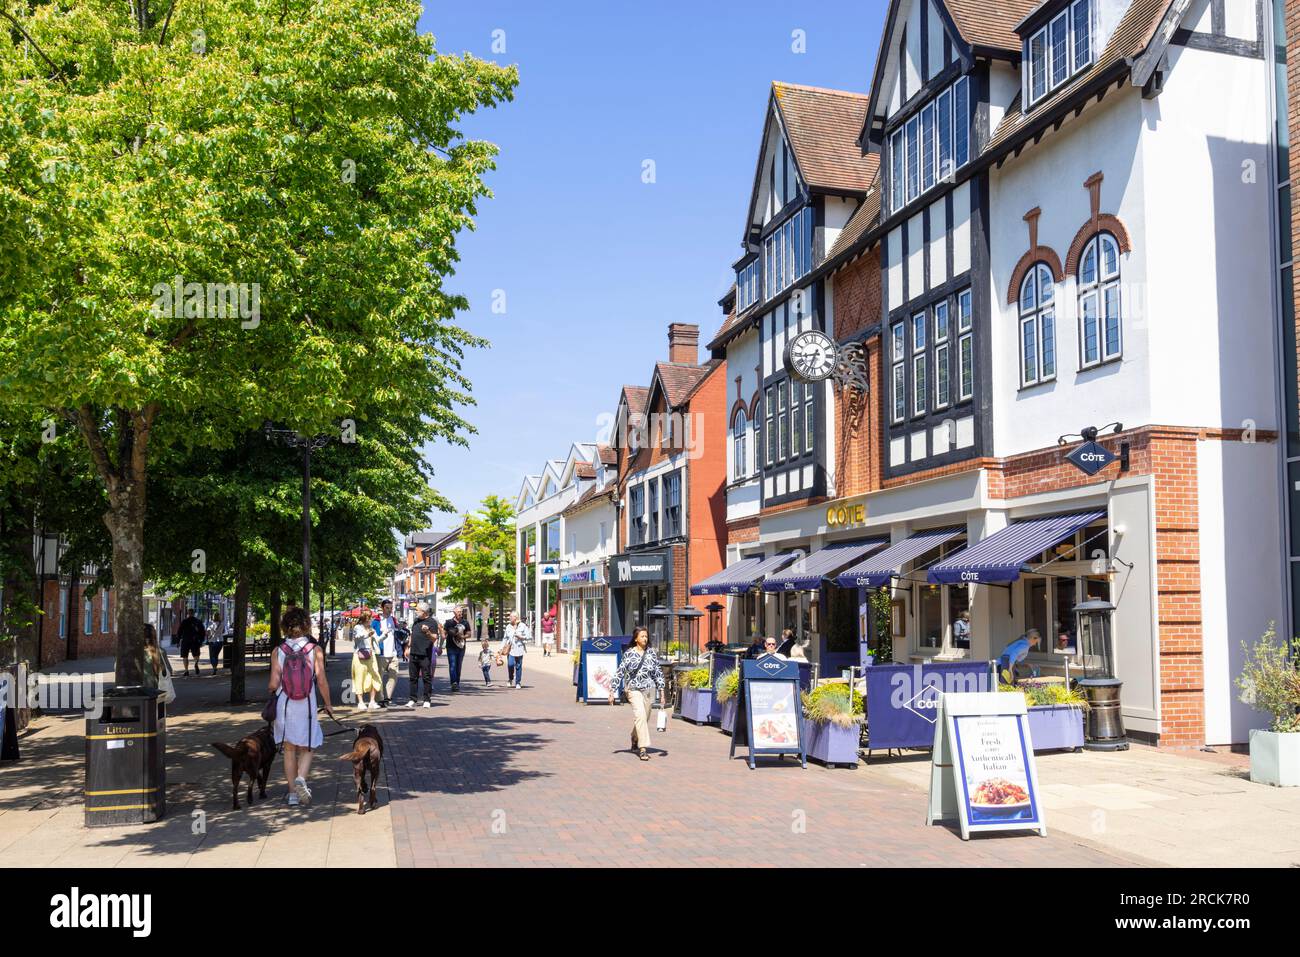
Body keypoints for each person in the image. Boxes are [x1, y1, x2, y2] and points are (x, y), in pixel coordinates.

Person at [268, 606, 334, 807]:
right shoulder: (315, 650)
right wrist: (328, 704)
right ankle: (301, 779)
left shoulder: (278, 651)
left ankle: (292, 795)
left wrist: (272, 692)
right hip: (307, 704)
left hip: (285, 704)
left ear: (285, 626)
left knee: (289, 749)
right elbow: (321, 680)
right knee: (307, 745)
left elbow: (273, 683)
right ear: (306, 625)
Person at [608, 627, 665, 761]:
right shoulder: (629, 653)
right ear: (636, 639)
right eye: (642, 636)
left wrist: (662, 692)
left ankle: (634, 737)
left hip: (649, 690)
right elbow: (620, 672)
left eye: (646, 636)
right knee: (640, 715)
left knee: (643, 719)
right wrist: (612, 691)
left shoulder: (651, 653)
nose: (645, 638)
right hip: (633, 689)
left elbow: (658, 673)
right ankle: (643, 748)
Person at [406, 602, 440, 708]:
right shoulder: (416, 621)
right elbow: (412, 634)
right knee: (413, 677)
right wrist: (408, 647)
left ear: (424, 612)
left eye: (417, 610)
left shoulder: (432, 622)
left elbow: (434, 638)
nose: (416, 612)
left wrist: (428, 632)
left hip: (425, 654)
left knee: (426, 677)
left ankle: (427, 700)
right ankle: (413, 699)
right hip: (413, 653)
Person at [372, 599, 401, 707]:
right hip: (381, 653)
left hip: (393, 653)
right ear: (382, 608)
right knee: (379, 677)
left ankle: (388, 698)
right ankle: (380, 699)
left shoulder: (393, 619)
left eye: (391, 608)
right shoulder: (376, 621)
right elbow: (372, 637)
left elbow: (396, 633)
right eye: (387, 608)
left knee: (393, 676)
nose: (389, 610)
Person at [350, 617, 382, 710]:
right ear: (364, 620)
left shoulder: (371, 629)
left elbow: (378, 640)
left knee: (375, 677)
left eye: (371, 619)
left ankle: (372, 701)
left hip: (371, 656)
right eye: (369, 619)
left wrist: (385, 634)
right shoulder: (357, 628)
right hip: (360, 656)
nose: (371, 621)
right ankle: (361, 702)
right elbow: (358, 637)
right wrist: (367, 634)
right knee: (359, 678)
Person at [143, 624, 175, 707]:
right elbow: (169, 671)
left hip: (138, 693)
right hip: (157, 692)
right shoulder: (160, 651)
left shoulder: (134, 653)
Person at [500, 613, 530, 689]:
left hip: (519, 648)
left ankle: (518, 682)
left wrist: (521, 637)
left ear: (516, 617)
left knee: (518, 666)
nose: (509, 618)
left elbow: (529, 636)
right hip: (510, 649)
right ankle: (510, 678)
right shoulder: (508, 626)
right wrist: (501, 648)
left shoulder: (523, 626)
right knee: (510, 664)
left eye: (511, 616)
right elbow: (505, 638)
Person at [443, 606, 470, 691]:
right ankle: (453, 683)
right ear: (454, 612)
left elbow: (469, 634)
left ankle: (457, 682)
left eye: (461, 612)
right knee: (452, 665)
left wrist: (463, 636)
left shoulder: (465, 622)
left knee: (458, 666)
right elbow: (444, 635)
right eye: (458, 611)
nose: (460, 613)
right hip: (451, 647)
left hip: (461, 647)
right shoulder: (448, 622)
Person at [176, 608, 205, 677]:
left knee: (185, 656)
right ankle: (196, 663)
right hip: (195, 641)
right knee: (196, 655)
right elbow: (202, 632)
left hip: (185, 640)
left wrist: (178, 641)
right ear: (194, 613)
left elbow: (179, 631)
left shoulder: (184, 621)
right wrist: (201, 641)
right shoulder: (198, 621)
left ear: (188, 613)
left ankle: (186, 670)